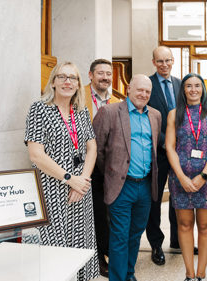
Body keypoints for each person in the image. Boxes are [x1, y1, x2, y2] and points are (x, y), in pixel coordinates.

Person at [24, 61, 99, 280]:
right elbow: (36, 155)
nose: (67, 82)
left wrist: (82, 180)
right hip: (52, 190)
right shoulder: (39, 109)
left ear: (78, 84)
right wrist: (69, 179)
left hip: (81, 190)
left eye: (73, 78)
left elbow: (91, 147)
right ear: (53, 82)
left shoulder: (81, 111)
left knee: (80, 241)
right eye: (62, 77)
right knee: (55, 245)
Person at [93, 74, 162, 281]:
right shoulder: (110, 112)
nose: (143, 94)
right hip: (121, 186)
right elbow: (98, 150)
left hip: (146, 186)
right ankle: (117, 277)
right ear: (129, 89)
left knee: (135, 234)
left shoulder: (156, 115)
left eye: (147, 91)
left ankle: (129, 274)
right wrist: (113, 172)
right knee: (120, 236)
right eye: (139, 89)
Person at [166, 73, 207, 281]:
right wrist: (181, 176)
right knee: (184, 224)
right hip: (180, 178)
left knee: (206, 226)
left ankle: (201, 274)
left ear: (203, 89)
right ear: (183, 90)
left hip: (206, 179)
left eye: (197, 86)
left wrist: (204, 175)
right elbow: (170, 148)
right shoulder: (174, 114)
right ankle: (189, 274)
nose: (193, 90)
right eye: (188, 86)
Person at [85, 58, 122, 277]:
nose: (105, 77)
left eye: (108, 73)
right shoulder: (79, 96)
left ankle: (107, 251)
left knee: (107, 212)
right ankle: (97, 258)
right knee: (94, 213)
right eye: (100, 73)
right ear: (91, 75)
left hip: (109, 164)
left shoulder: (117, 99)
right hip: (85, 165)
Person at [147, 46, 183, 265]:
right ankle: (155, 243)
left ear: (173, 61)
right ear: (153, 62)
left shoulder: (180, 84)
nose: (164, 65)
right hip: (157, 152)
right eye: (160, 61)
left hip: (180, 153)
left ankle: (178, 239)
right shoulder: (147, 85)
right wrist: (167, 143)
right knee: (155, 199)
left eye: (168, 60)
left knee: (179, 197)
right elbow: (146, 119)